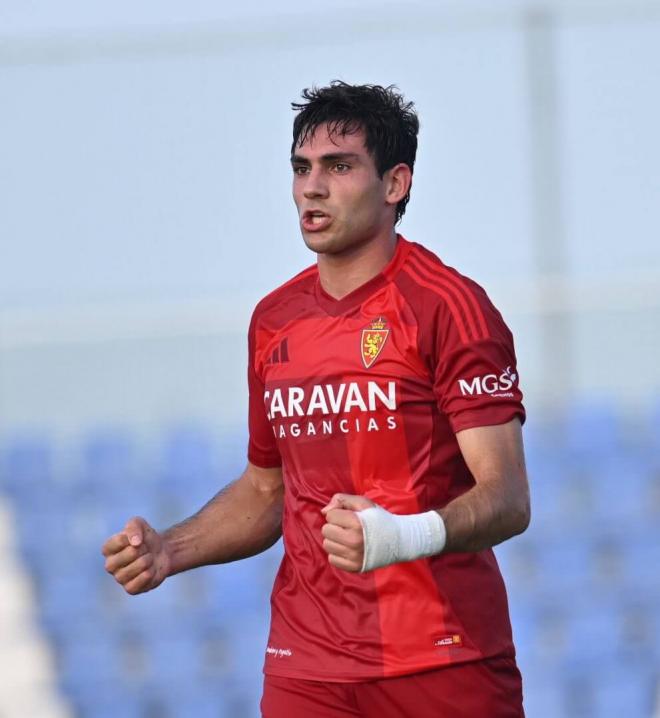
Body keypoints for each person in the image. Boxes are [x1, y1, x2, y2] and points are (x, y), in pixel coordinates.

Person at [102, 81, 531, 717]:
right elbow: (265, 492)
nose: (312, 187)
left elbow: (507, 499)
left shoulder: (449, 307)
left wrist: (399, 537)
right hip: (308, 669)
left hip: (442, 656)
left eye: (339, 166)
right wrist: (171, 548)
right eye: (302, 168)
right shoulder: (274, 320)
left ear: (395, 184)